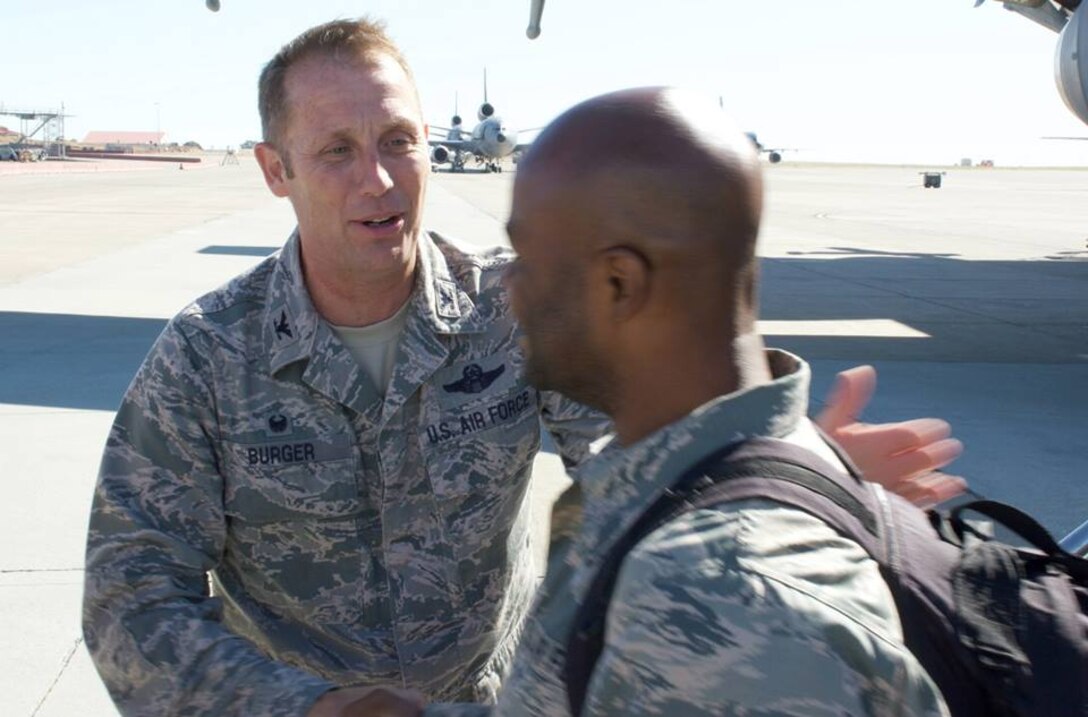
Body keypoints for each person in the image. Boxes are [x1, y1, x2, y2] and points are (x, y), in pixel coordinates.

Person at [82, 19, 961, 717]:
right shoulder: (207, 354)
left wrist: (778, 473)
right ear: (276, 170)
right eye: (337, 151)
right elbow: (130, 593)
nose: (381, 180)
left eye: (399, 140)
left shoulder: (511, 310)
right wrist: (299, 708)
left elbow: (644, 443)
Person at [424, 87, 951, 716]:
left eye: (529, 260)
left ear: (619, 283)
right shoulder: (714, 480)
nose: (507, 287)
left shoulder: (735, 606)